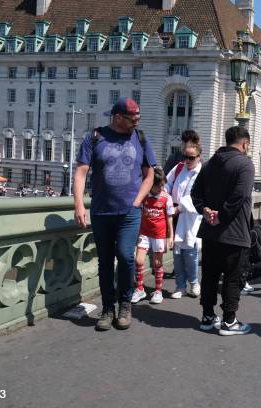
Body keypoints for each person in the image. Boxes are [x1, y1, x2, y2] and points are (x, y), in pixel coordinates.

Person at [74, 97, 156, 331]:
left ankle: (125, 305)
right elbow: (81, 172)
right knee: (105, 262)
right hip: (101, 211)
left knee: (126, 256)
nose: (137, 122)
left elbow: (150, 175)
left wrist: (137, 202)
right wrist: (79, 204)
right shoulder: (95, 137)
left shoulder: (140, 138)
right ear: (118, 117)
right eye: (133, 119)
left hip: (129, 212)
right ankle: (108, 308)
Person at [191, 126, 254, 336]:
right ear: (244, 143)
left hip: (210, 231)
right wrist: (222, 215)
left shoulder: (209, 164)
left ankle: (207, 316)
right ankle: (229, 321)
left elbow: (195, 192)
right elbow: (240, 196)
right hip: (234, 232)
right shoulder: (244, 164)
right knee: (232, 278)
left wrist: (205, 210)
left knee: (209, 275)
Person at [165, 141, 203, 299]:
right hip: (174, 214)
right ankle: (180, 285)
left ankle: (194, 282)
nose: (187, 160)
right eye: (185, 156)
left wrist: (178, 208)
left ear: (199, 157)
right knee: (177, 254)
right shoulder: (179, 167)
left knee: (190, 253)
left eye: (191, 157)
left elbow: (197, 196)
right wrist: (166, 201)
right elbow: (166, 184)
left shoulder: (203, 172)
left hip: (191, 218)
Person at [133, 167, 175, 304]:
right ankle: (140, 289)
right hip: (144, 232)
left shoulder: (166, 198)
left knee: (157, 263)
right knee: (139, 260)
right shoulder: (144, 195)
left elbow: (169, 218)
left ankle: (158, 291)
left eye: (163, 185)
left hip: (159, 235)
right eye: (159, 185)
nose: (162, 188)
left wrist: (171, 236)